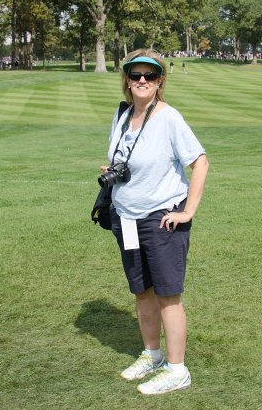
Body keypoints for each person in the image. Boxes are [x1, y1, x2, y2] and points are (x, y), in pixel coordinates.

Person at [101, 50, 208, 395]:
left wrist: (187, 211)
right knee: (142, 292)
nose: (142, 81)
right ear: (127, 80)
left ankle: (178, 370)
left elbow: (200, 162)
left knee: (168, 296)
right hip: (126, 218)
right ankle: (153, 355)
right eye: (136, 75)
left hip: (161, 220)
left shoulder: (169, 118)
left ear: (160, 80)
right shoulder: (123, 114)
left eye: (150, 75)